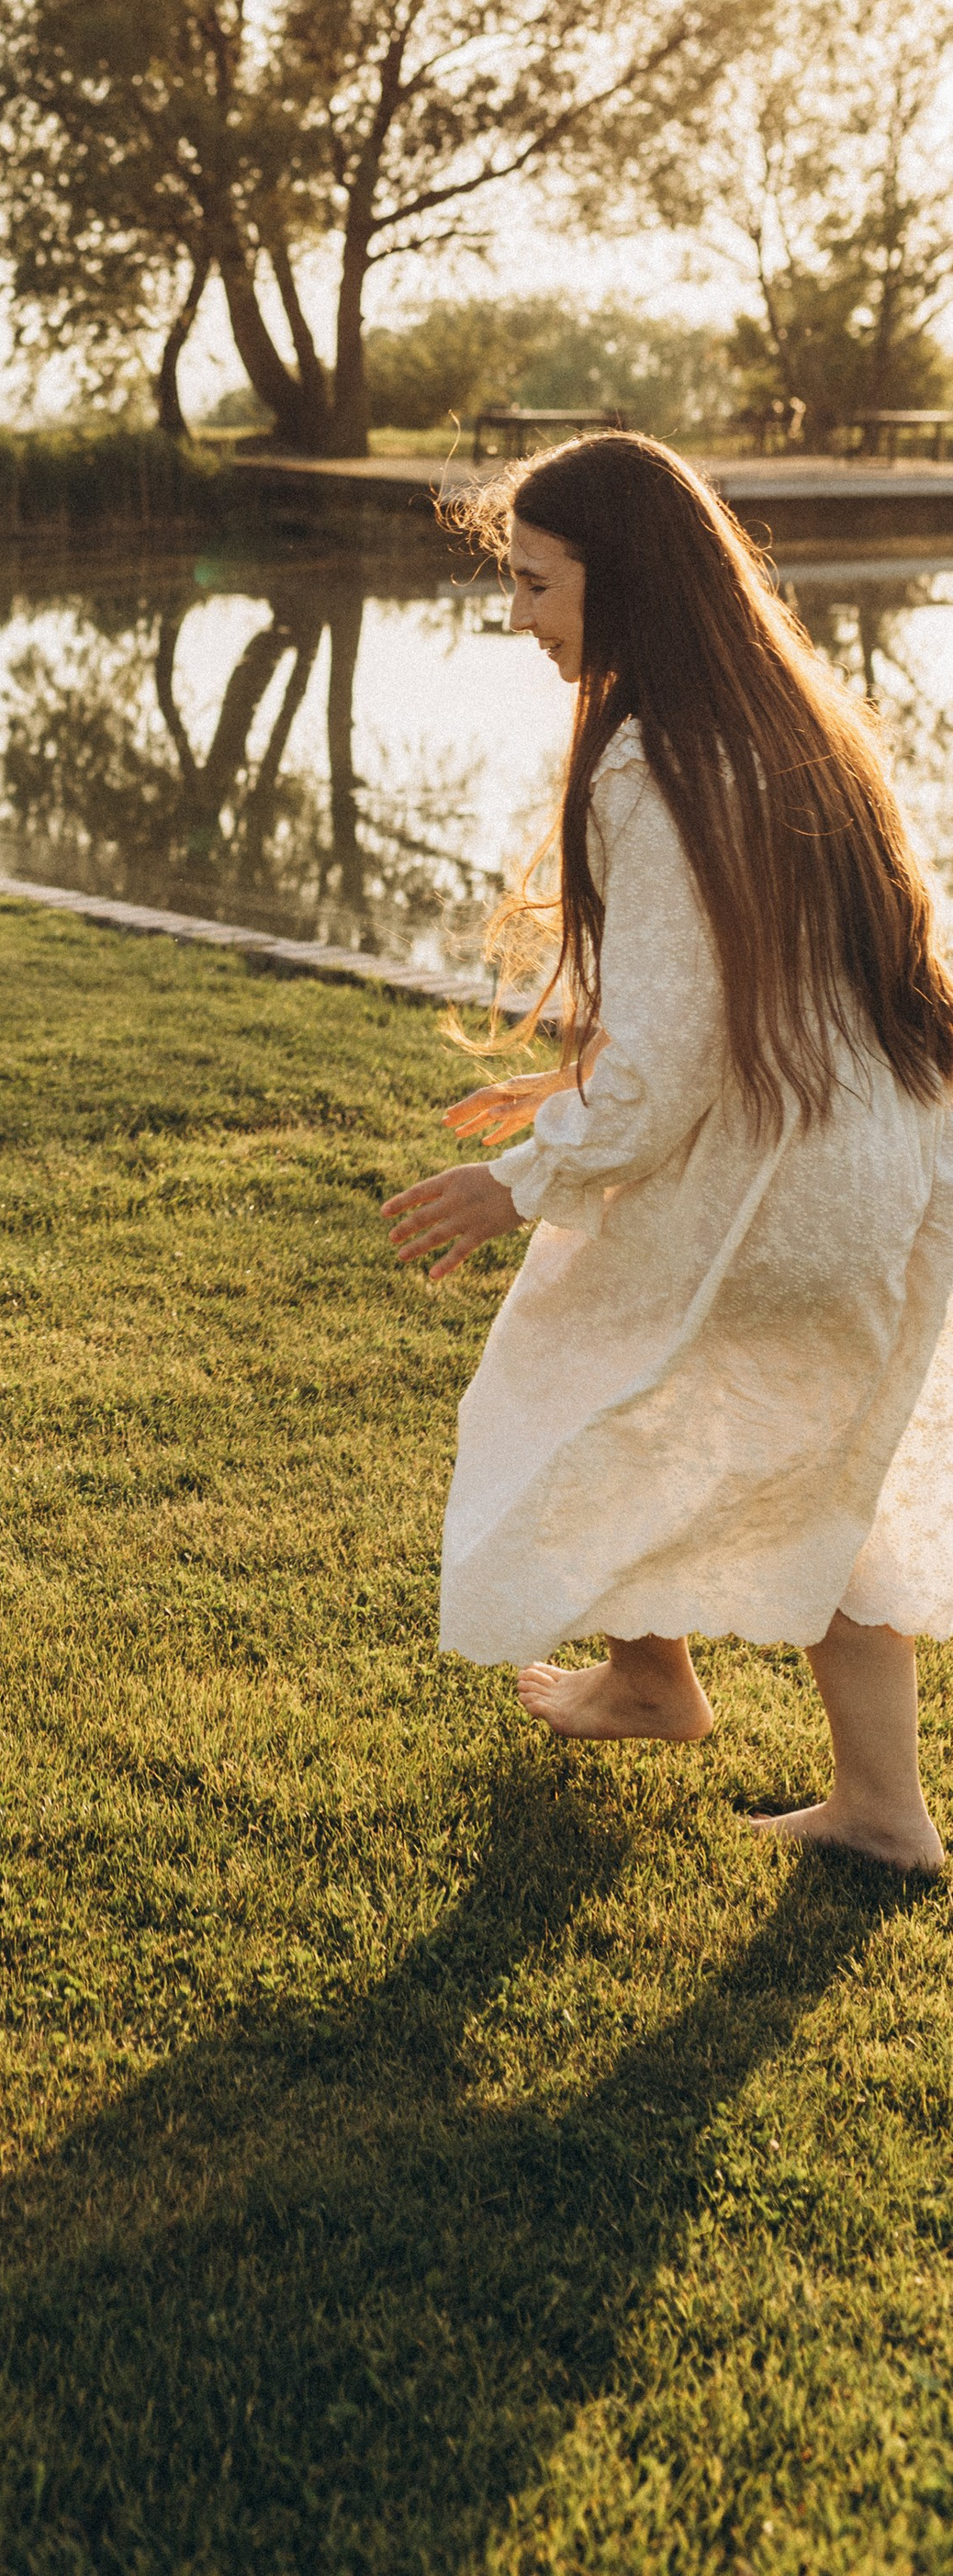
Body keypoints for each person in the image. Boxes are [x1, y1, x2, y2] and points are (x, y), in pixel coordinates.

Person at [384, 433, 953, 1872]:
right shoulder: (793, 714)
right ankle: (872, 1802)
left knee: (563, 1376)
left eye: (537, 584)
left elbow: (676, 1061)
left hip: (781, 1173)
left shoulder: (649, 759)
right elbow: (752, 980)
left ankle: (654, 1680)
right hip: (888, 1153)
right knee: (824, 1458)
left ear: (621, 578)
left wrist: (518, 1184)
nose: (519, 618)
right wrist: (573, 1078)